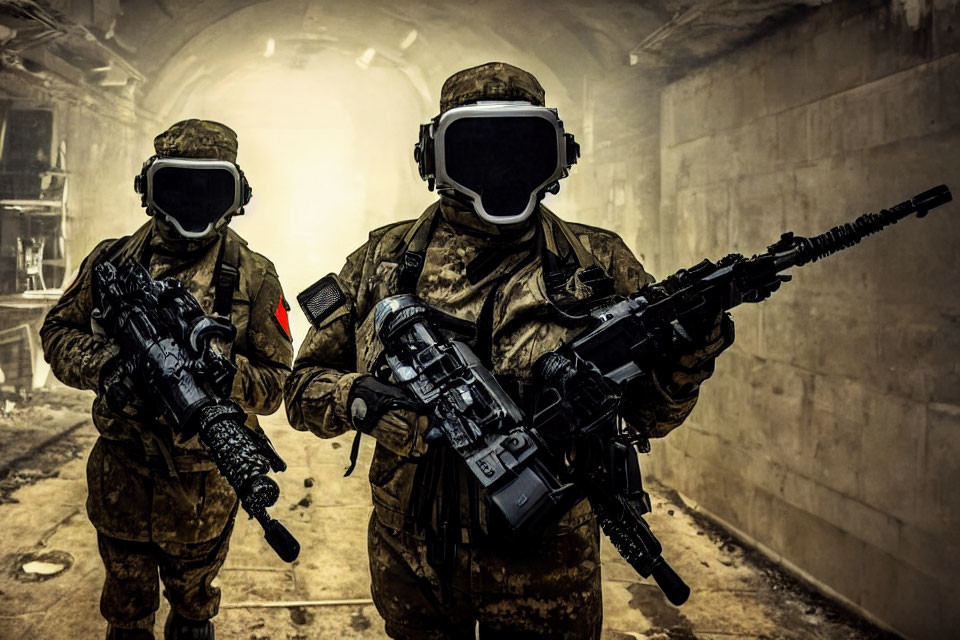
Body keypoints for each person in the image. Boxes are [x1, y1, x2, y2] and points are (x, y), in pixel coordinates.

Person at [284, 62, 732, 639]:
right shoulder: (384, 261)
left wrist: (688, 357)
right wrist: (364, 401)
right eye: (475, 146)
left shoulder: (598, 265)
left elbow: (652, 415)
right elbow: (301, 390)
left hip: (547, 567)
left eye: (521, 147)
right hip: (416, 562)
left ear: (557, 157)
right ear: (434, 158)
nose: (499, 167)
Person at [40, 119, 294, 640]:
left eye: (211, 185)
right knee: (126, 614)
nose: (194, 201)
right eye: (178, 184)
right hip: (122, 478)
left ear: (238, 194)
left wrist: (227, 378)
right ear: (149, 189)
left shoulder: (254, 275)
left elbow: (278, 381)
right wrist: (109, 366)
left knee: (194, 613)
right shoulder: (110, 260)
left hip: (204, 490)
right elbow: (57, 333)